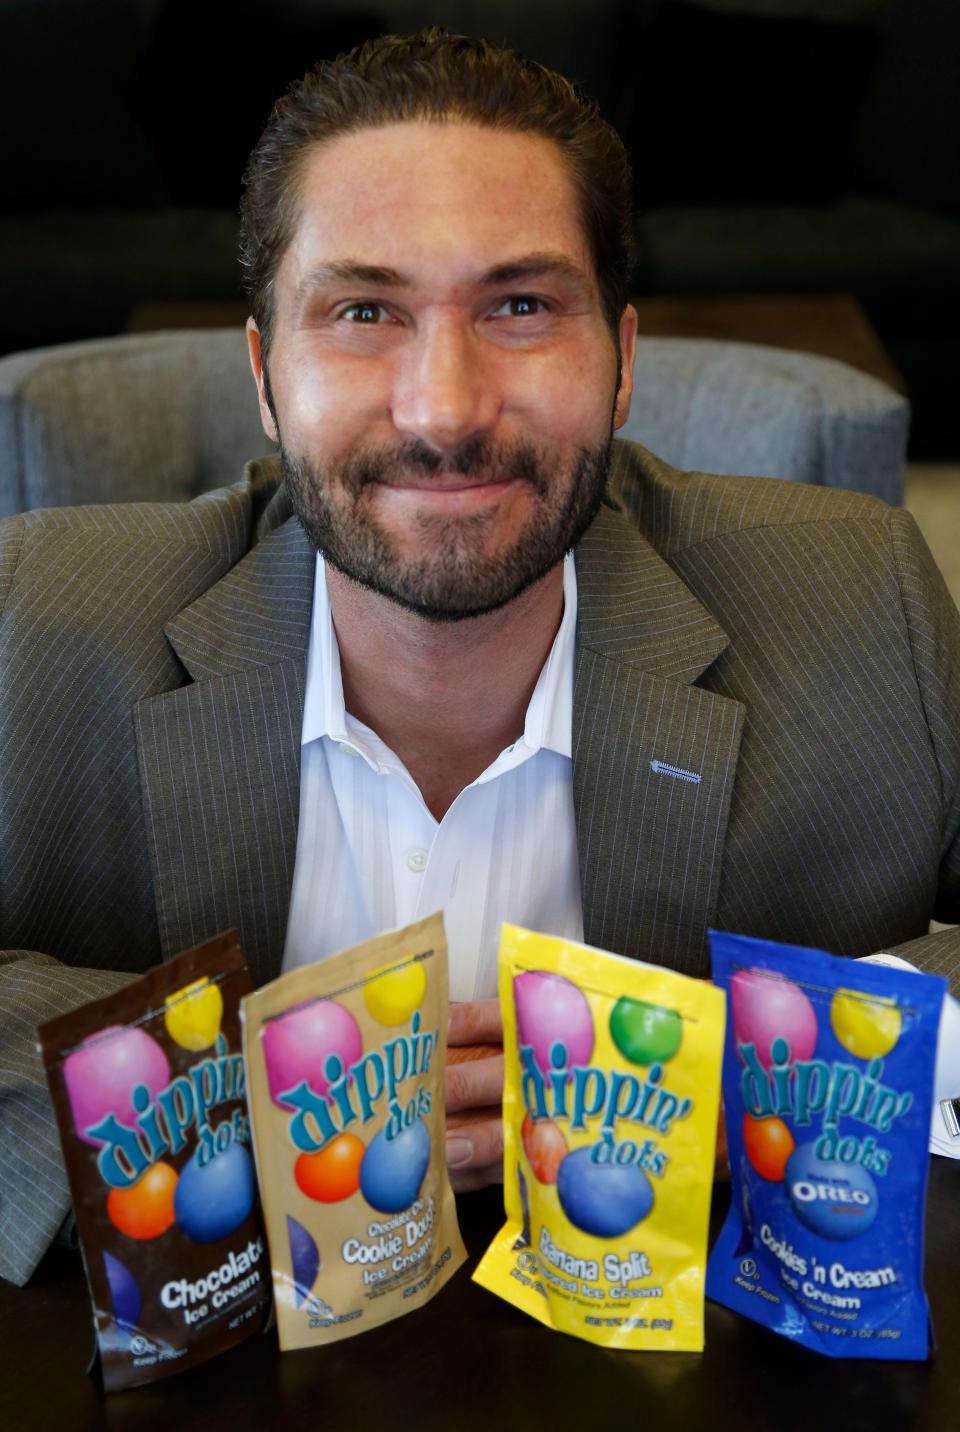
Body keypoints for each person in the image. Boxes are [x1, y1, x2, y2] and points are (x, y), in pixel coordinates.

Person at [1, 28, 958, 1287]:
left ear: (621, 361)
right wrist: (201, 1101)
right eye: (363, 311)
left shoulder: (860, 597)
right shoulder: (35, 619)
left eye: (519, 305)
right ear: (263, 374)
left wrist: (741, 1071)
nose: (444, 408)